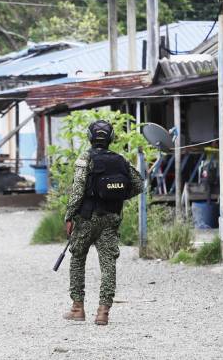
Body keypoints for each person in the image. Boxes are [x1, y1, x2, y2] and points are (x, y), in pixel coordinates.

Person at [63, 120, 143, 325]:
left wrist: (69, 215)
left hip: (87, 219)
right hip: (112, 217)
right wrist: (117, 197)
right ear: (111, 138)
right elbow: (138, 185)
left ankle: (77, 308)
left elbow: (78, 190)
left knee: (78, 258)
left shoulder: (85, 158)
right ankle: (103, 312)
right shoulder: (121, 160)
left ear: (90, 138)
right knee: (108, 263)